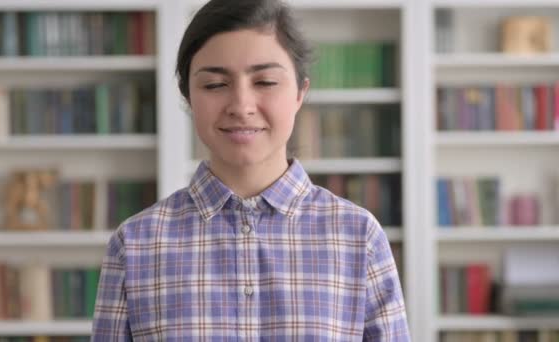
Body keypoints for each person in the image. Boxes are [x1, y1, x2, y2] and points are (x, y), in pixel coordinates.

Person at [91, 0, 410, 340]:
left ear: (300, 92)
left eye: (265, 82)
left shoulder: (358, 238)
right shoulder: (136, 245)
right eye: (215, 85)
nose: (241, 106)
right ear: (188, 96)